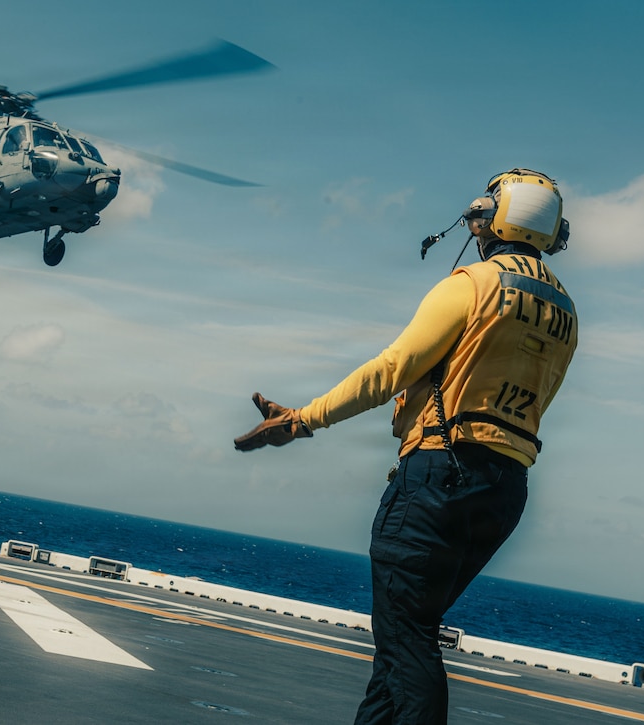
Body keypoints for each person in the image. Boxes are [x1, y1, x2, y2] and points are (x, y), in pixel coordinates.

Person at [233, 169, 578, 724]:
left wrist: (301, 421)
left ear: (494, 220)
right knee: (400, 643)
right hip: (506, 488)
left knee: (406, 639)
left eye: (479, 216)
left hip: (440, 476)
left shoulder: (473, 284)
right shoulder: (565, 311)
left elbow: (391, 370)